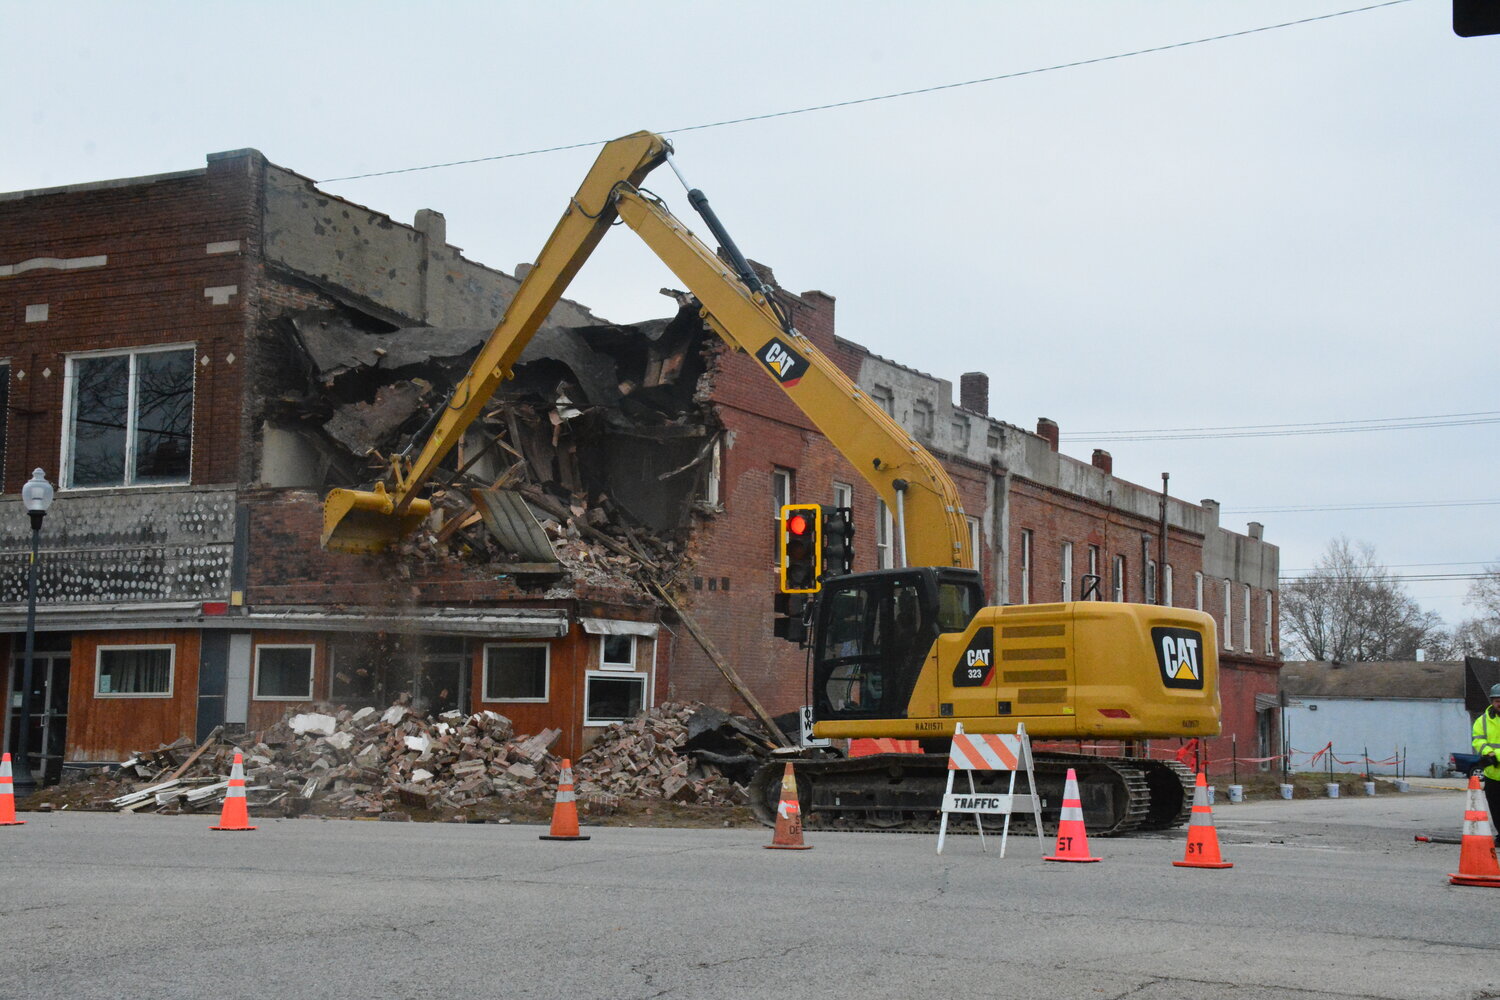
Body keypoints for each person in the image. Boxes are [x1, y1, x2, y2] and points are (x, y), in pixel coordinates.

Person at [1471, 682, 1500, 847]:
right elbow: (1478, 740)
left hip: (1494, 764)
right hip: (1492, 774)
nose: (1499, 703)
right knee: (1496, 808)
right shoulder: (1482, 721)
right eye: (1497, 700)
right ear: (1492, 701)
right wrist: (1487, 752)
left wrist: (1496, 755)